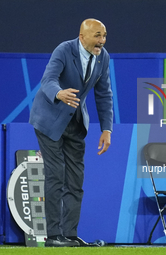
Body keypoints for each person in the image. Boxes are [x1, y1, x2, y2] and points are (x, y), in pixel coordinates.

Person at [29, 18, 113, 247]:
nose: (102, 41)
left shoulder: (103, 57)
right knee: (56, 175)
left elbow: (104, 94)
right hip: (49, 120)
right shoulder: (64, 50)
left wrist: (107, 129)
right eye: (97, 35)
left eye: (104, 36)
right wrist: (59, 93)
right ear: (82, 36)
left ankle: (70, 235)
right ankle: (54, 236)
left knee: (76, 180)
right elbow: (48, 80)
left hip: (75, 123)